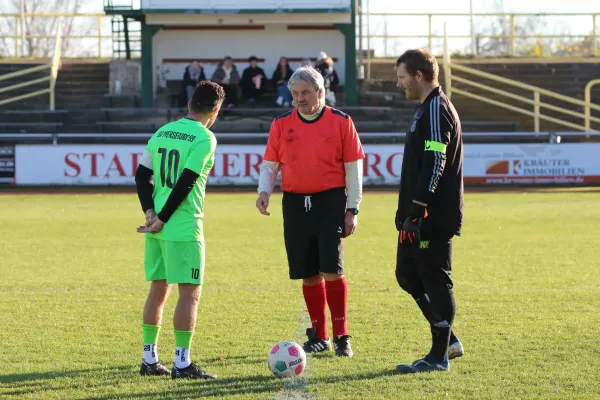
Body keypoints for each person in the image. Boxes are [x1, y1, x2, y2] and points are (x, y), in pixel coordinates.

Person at [255, 66, 364, 358]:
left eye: (305, 93)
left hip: (330, 202)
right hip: (294, 203)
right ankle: (320, 335)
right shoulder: (281, 124)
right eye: (295, 94)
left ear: (320, 92)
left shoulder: (341, 121)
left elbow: (353, 169)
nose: (299, 98)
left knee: (332, 268)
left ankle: (342, 335)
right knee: (309, 272)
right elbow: (270, 165)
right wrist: (263, 191)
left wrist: (352, 208)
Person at [134, 80, 225, 379]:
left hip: (156, 228)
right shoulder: (204, 137)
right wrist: (165, 216)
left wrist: (151, 213)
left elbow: (141, 175)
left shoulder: (162, 132)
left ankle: (149, 360)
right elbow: (187, 180)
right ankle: (182, 364)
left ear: (189, 105)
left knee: (158, 290)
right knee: (190, 294)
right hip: (183, 227)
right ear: (216, 110)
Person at [392, 49, 465, 374]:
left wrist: (420, 207)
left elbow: (437, 158)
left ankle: (439, 355)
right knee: (407, 275)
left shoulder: (436, 108)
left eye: (402, 77)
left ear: (419, 75)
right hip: (416, 215)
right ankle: (448, 340)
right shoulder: (425, 109)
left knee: (434, 280)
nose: (399, 84)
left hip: (430, 216)